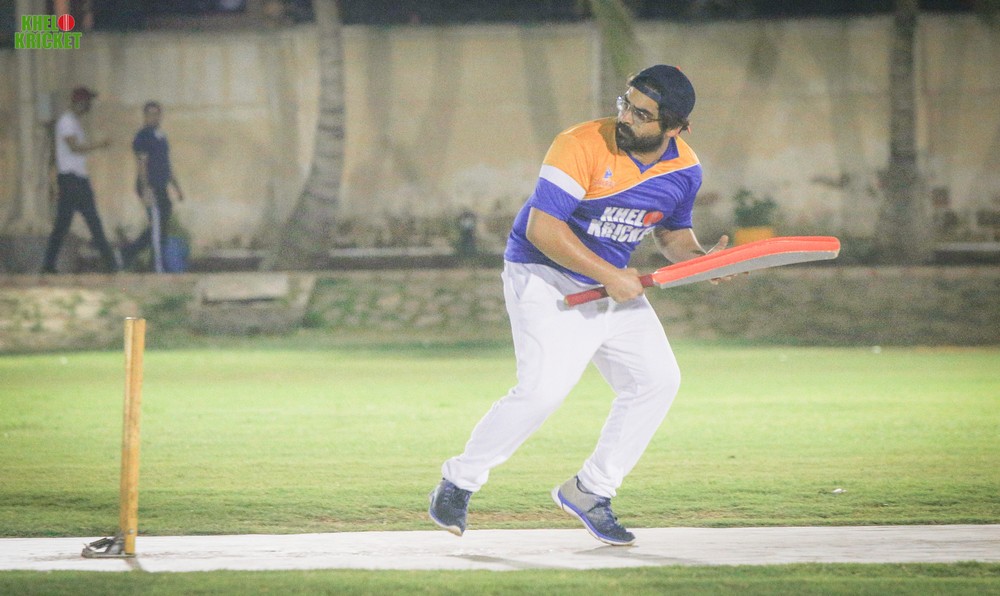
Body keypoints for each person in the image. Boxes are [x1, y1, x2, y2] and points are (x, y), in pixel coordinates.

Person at [428, 65, 729, 546]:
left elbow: (672, 234)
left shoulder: (685, 170)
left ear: (675, 127)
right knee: (542, 391)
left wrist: (702, 260)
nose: (625, 116)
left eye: (642, 114)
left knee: (657, 381)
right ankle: (458, 482)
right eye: (625, 103)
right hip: (542, 273)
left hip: (610, 282)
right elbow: (542, 229)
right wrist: (611, 275)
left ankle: (591, 490)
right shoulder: (579, 143)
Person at [42, 86, 119, 274]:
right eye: (87, 102)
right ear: (79, 102)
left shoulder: (74, 122)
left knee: (72, 223)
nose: (89, 106)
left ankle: (48, 265)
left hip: (76, 179)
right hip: (71, 180)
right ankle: (111, 264)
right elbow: (74, 147)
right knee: (86, 222)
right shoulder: (67, 122)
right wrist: (100, 144)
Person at [121, 101, 184, 272]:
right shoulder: (143, 136)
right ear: (145, 116)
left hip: (161, 186)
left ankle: (129, 252)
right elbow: (142, 164)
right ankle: (158, 267)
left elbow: (166, 165)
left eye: (156, 114)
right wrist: (146, 188)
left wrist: (177, 187)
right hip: (150, 186)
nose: (153, 117)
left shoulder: (161, 137)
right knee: (156, 226)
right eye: (150, 114)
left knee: (161, 225)